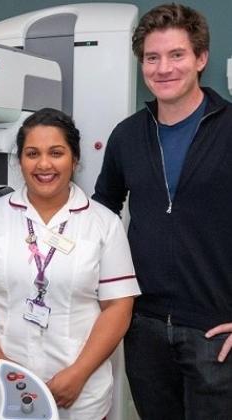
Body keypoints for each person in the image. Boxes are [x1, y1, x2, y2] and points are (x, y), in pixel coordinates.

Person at [0, 108, 140, 419]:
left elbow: (119, 306)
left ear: (74, 159)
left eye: (56, 153)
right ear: (20, 160)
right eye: (32, 153)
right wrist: (2, 366)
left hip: (80, 393)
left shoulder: (103, 224)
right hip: (1, 387)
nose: (44, 164)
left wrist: (78, 374)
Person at [92, 3, 232, 419]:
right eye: (152, 58)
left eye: (176, 55)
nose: (163, 68)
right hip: (144, 326)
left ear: (201, 58)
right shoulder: (128, 135)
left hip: (215, 330)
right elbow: (104, 209)